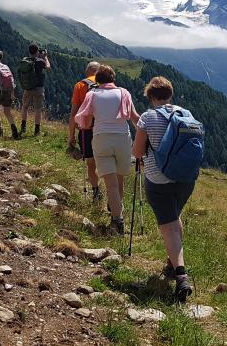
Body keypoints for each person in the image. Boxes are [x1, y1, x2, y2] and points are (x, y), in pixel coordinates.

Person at [132, 76, 197, 302]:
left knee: (168, 226)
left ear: (150, 96)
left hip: (158, 180)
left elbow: (137, 152)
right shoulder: (186, 115)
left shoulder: (148, 118)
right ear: (170, 94)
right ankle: (172, 264)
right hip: (186, 178)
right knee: (174, 216)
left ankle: (181, 275)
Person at [75, 65, 139, 234]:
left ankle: (118, 220)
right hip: (122, 139)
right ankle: (116, 209)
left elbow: (86, 124)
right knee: (119, 180)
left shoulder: (91, 95)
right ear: (113, 79)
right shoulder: (124, 93)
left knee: (110, 183)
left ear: (97, 80)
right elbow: (134, 117)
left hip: (101, 138)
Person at [69, 61, 101, 200]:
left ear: (86, 71)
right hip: (104, 129)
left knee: (90, 162)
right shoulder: (107, 85)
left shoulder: (80, 85)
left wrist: (71, 136)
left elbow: (73, 113)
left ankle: (95, 190)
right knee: (105, 161)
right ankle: (111, 190)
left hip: (86, 130)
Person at [18, 43, 51, 136]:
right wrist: (45, 57)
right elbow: (48, 67)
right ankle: (37, 131)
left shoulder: (25, 61)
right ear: (37, 51)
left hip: (27, 87)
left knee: (24, 107)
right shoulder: (40, 61)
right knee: (38, 109)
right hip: (38, 88)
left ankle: (23, 128)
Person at [0, 50, 19, 139]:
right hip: (7, 91)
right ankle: (13, 128)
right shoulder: (6, 67)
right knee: (7, 112)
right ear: (2, 58)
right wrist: (12, 94)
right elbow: (11, 81)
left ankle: (0, 129)